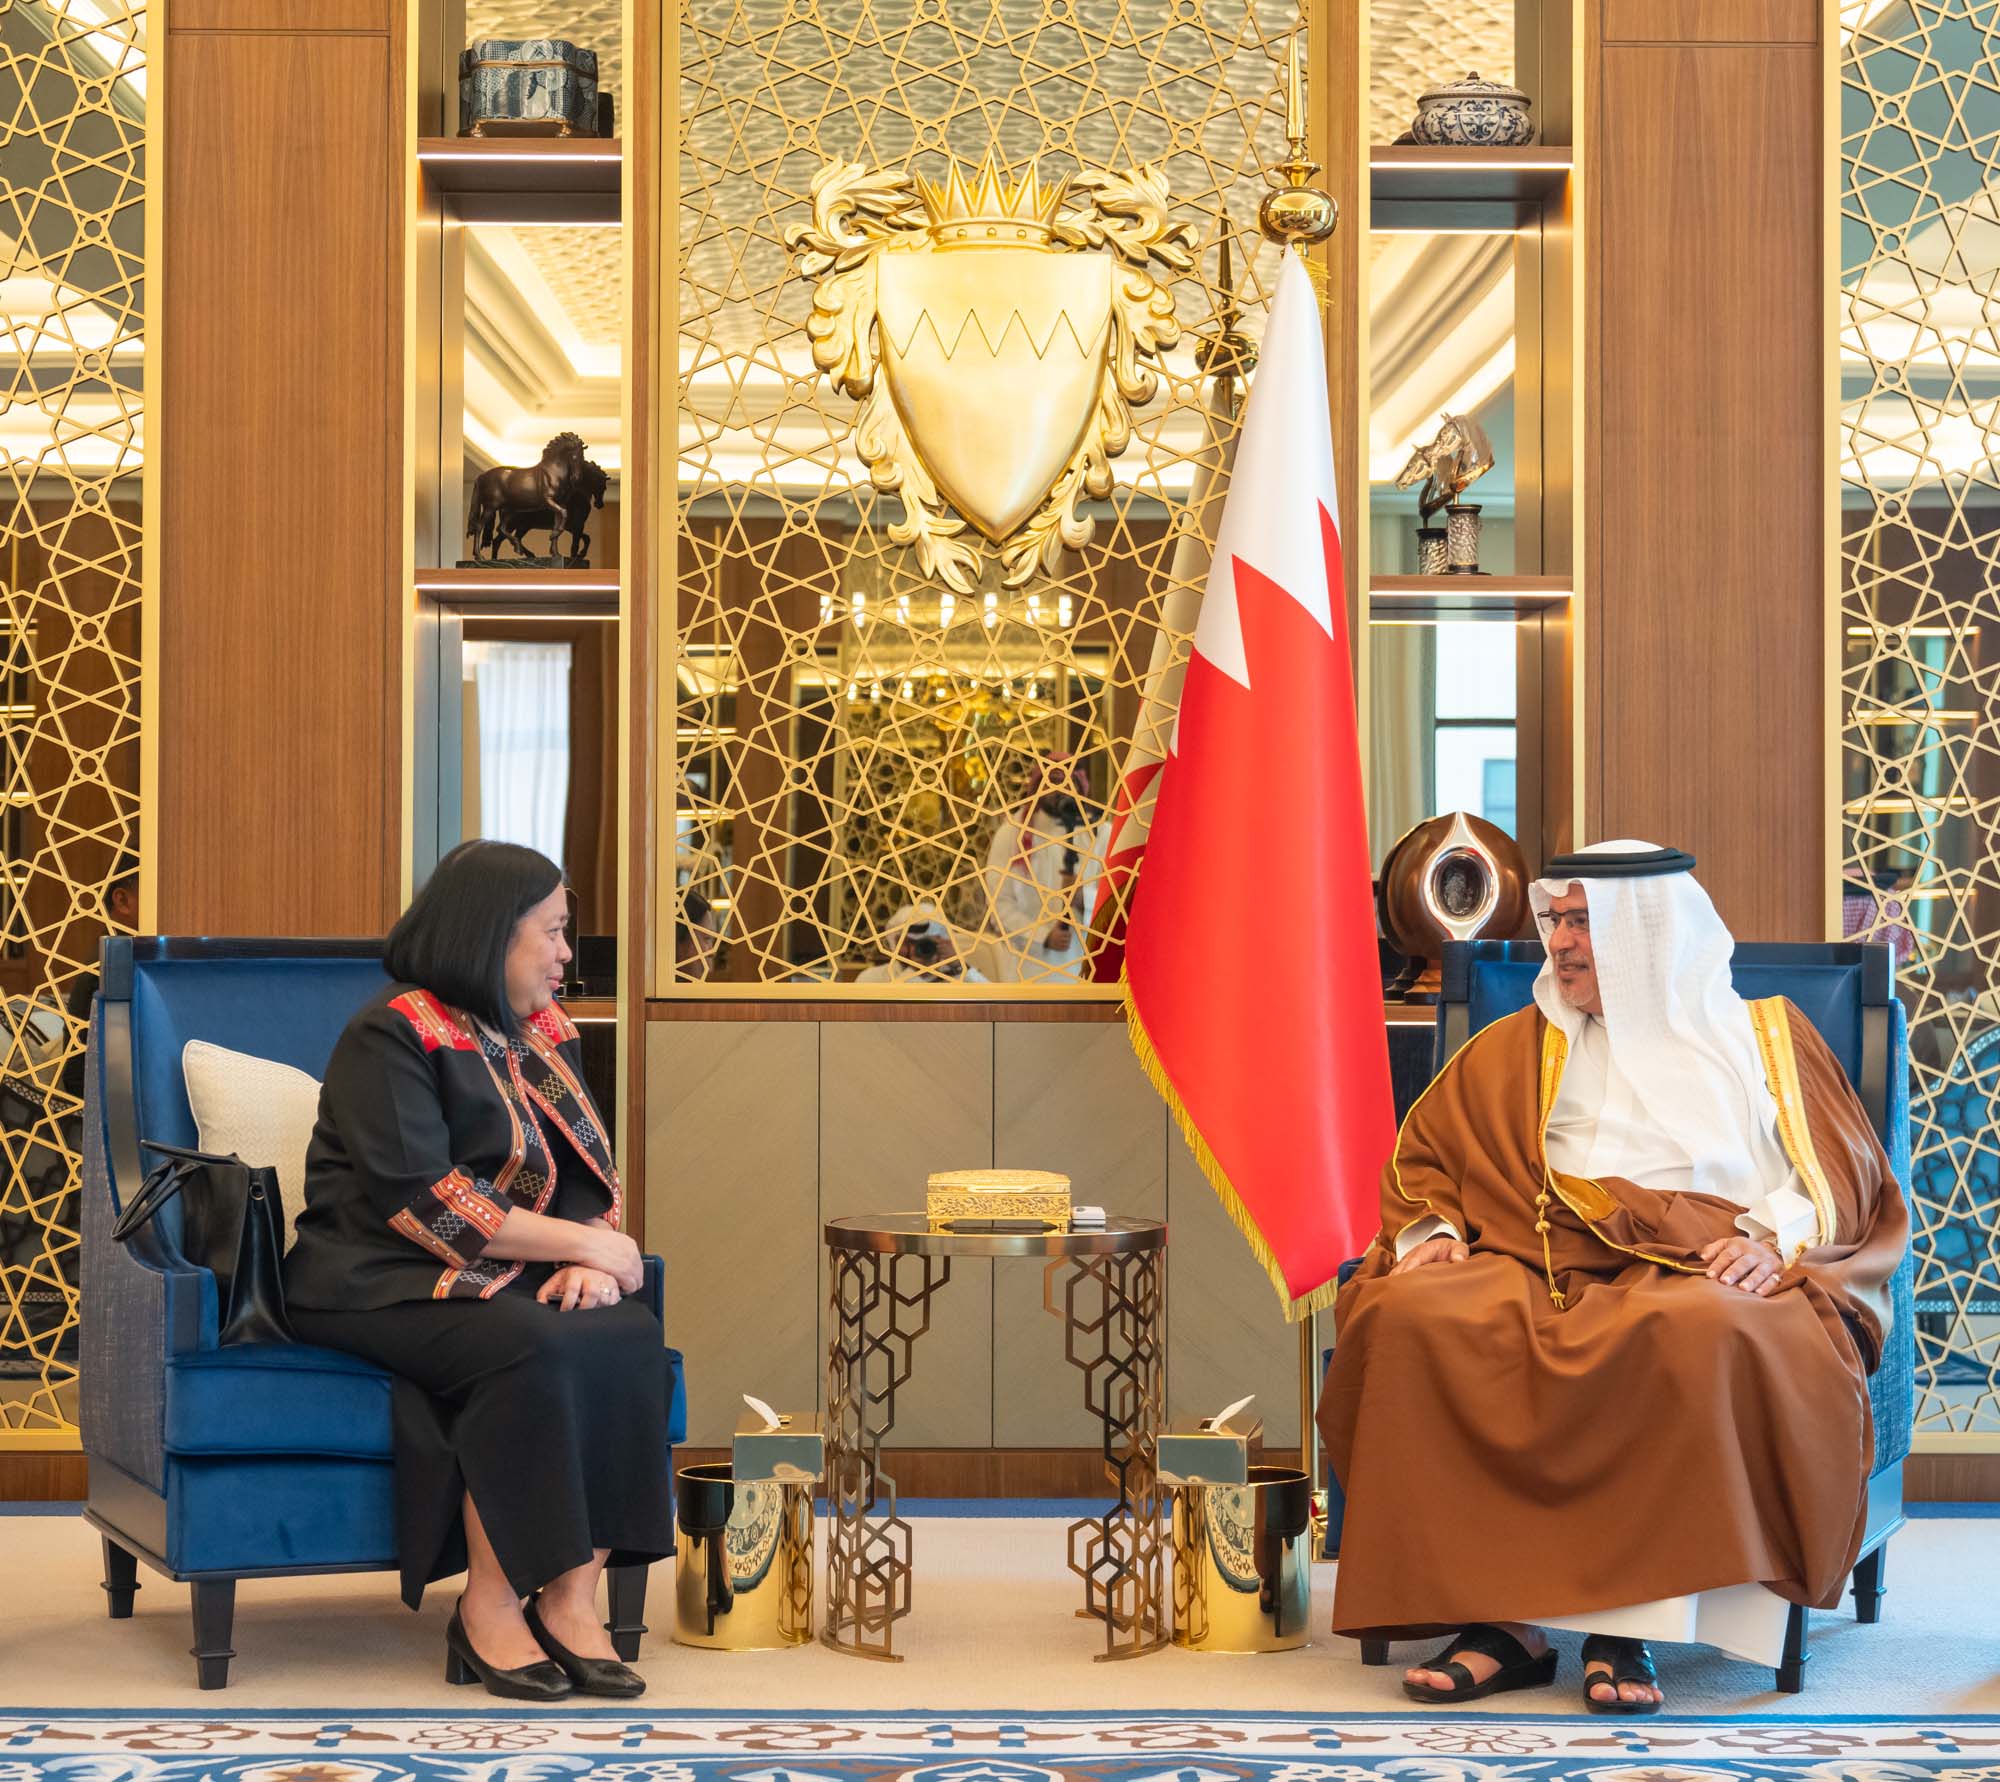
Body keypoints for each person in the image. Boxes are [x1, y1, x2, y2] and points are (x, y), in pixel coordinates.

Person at [1317, 840, 1908, 1714]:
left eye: (1584, 923)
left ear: (1651, 931)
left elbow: (1844, 1175)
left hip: (1704, 1259)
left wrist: (1773, 1239)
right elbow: (1427, 1157)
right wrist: (1433, 1232)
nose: (1559, 942)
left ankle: (1628, 1628)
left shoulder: (1765, 1039)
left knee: (1701, 1331)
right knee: (1415, 1316)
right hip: (1531, 1252)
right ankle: (1503, 1623)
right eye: (1556, 920)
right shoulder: (1519, 1044)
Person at [285, 839, 674, 1702]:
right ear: (492, 932)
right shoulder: (393, 1032)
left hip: (501, 1272)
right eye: (553, 932)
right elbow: (427, 1202)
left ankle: (571, 1600)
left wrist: (592, 1257)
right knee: (533, 1346)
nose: (567, 954)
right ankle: (488, 1606)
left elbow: (588, 1171)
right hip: (375, 1279)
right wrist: (579, 1247)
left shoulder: (539, 1029)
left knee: (623, 1333)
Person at [982, 757, 1106, 983]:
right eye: (1052, 781)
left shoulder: (1101, 833)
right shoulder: (1012, 833)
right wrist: (1042, 936)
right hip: (1028, 968)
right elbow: (998, 904)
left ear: (1080, 786)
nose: (1059, 789)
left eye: (1067, 781)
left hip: (1086, 966)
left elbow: (1120, 900)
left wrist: (1083, 899)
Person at [855, 900, 987, 984]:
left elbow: (992, 1004)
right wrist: (917, 973)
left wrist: (959, 966)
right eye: (909, 942)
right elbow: (893, 1010)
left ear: (942, 941)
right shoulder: (871, 979)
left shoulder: (957, 976)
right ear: (893, 942)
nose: (918, 948)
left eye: (927, 941)